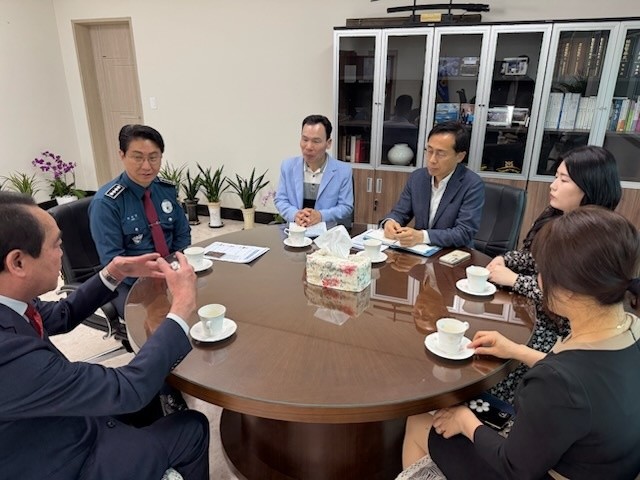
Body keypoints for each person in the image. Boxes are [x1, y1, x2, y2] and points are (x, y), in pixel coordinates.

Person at [0, 192, 209, 480]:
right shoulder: (7, 354)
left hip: (51, 417)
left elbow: (61, 314)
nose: (62, 253)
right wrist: (182, 305)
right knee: (192, 426)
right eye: (57, 244)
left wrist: (114, 272)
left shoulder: (11, 301)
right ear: (18, 263)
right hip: (63, 461)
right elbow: (128, 388)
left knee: (151, 397)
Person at [424, 206, 640, 479]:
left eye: (542, 271)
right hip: (606, 462)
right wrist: (516, 350)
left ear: (569, 291)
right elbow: (590, 383)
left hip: (544, 471)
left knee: (424, 425)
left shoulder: (556, 380)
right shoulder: (630, 329)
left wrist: (465, 421)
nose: (537, 279)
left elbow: (514, 467)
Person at [485, 145, 622, 404]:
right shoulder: (557, 217)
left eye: (563, 180)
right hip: (537, 313)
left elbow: (570, 295)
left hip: (560, 330)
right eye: (555, 176)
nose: (553, 185)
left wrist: (514, 280)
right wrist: (507, 259)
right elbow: (536, 259)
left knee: (491, 370)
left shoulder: (597, 239)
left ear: (589, 188)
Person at [90, 124, 191, 317]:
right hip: (131, 282)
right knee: (164, 322)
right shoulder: (106, 203)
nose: (147, 166)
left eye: (153, 157)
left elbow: (182, 234)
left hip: (170, 272)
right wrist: (154, 281)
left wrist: (175, 268)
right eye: (138, 157)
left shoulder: (166, 190)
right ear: (122, 155)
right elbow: (114, 261)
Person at [382, 121, 484, 248]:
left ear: (460, 157)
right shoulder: (417, 178)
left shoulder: (472, 184)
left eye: (441, 154)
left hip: (453, 253)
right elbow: (400, 212)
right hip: (420, 252)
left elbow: (464, 232)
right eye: (429, 151)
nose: (432, 160)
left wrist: (422, 236)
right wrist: (390, 222)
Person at [275, 114, 353, 227]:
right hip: (295, 231)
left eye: (316, 141)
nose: (308, 147)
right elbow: (281, 200)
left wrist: (321, 216)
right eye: (305, 139)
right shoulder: (288, 166)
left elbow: (346, 207)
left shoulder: (343, 171)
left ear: (328, 143)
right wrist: (295, 214)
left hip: (327, 232)